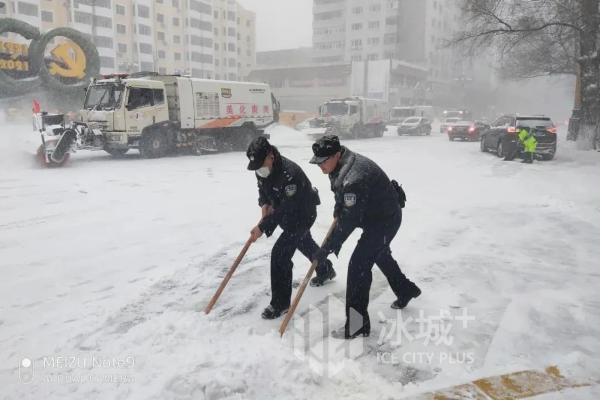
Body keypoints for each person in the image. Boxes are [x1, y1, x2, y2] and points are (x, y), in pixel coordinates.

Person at [310, 135, 421, 339]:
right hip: (374, 213)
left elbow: (349, 220)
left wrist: (327, 248)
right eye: (317, 162)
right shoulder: (340, 164)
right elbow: (341, 194)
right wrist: (338, 207)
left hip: (385, 220)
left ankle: (357, 325)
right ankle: (405, 290)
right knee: (379, 254)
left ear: (337, 154)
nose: (320, 166)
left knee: (358, 267)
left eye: (323, 161)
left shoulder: (355, 177)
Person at [246, 137, 337, 320]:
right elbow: (262, 189)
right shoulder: (261, 170)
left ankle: (280, 303)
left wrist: (262, 228)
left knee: (280, 253)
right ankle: (325, 268)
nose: (258, 170)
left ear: (271, 157)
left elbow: (285, 208)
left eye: (260, 164)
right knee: (304, 243)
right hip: (286, 215)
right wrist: (264, 203)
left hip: (303, 215)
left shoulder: (290, 174)